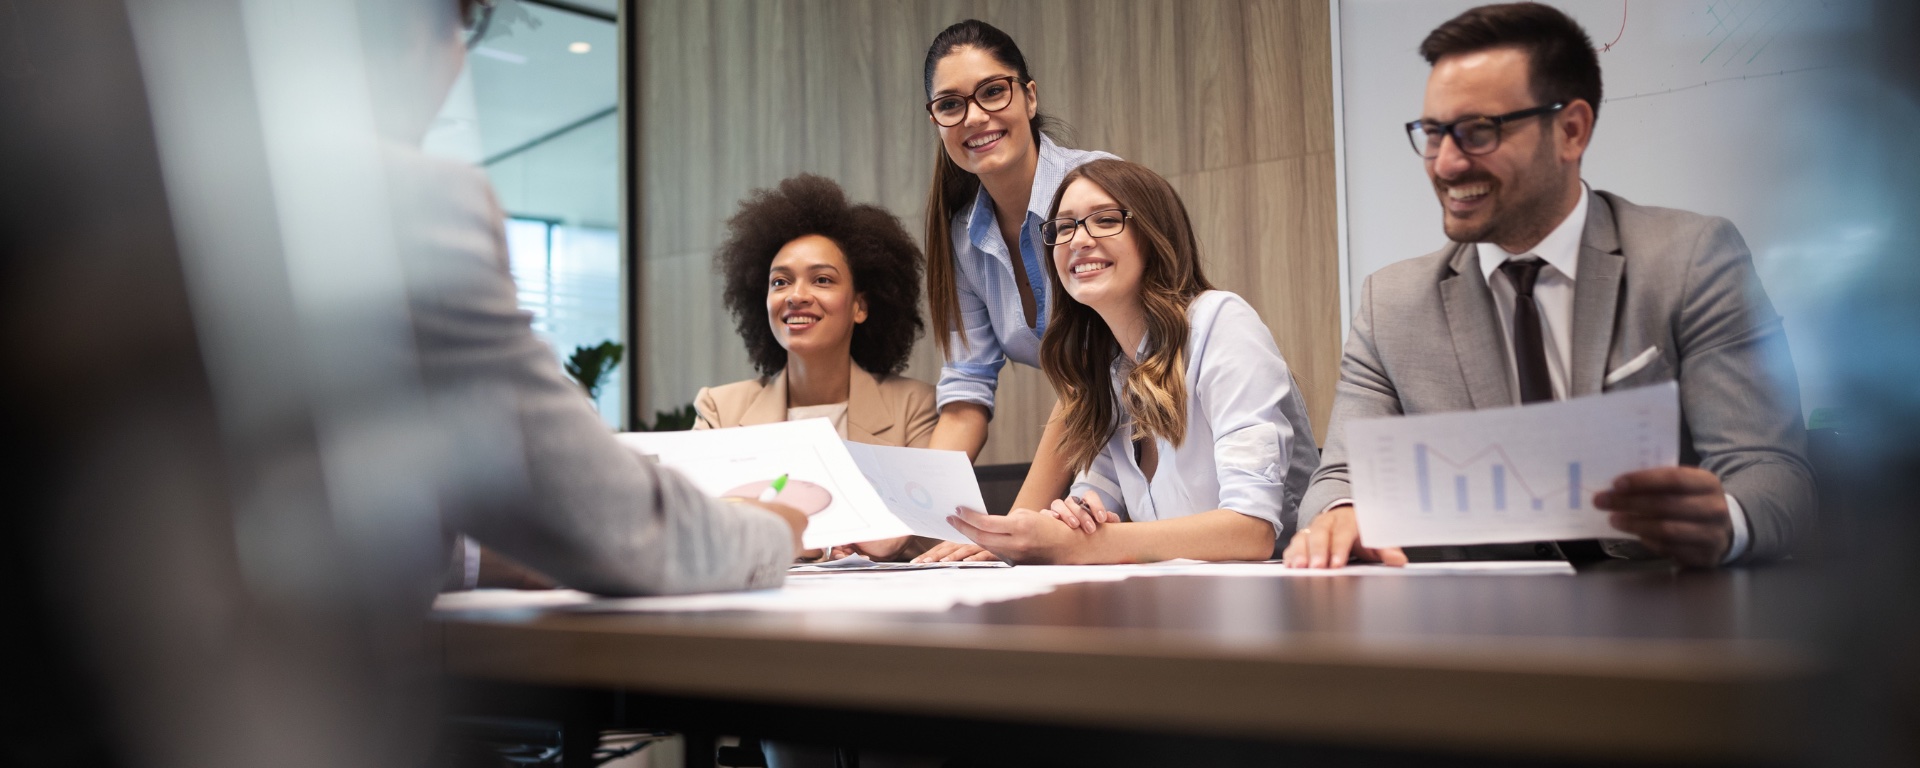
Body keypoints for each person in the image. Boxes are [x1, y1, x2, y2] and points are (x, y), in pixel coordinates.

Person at [1285, 3, 1814, 570]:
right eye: (1434, 133)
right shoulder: (1390, 305)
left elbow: (1772, 473)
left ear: (1571, 130)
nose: (1446, 163)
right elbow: (1334, 478)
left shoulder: (1689, 260)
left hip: (1665, 614)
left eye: (1478, 132)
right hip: (1472, 631)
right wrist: (1340, 514)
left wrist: (1725, 520)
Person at [413, 0, 807, 595]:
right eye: (779, 279)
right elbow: (614, 526)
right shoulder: (421, 208)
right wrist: (771, 530)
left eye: (823, 279)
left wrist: (474, 558)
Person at [948, 159, 1318, 564]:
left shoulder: (1221, 321)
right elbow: (1091, 512)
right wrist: (1059, 525)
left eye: (1105, 220)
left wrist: (1079, 544)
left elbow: (1251, 532)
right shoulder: (1105, 373)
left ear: (1154, 236)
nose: (1079, 240)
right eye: (1065, 227)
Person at [913, 20, 1119, 563]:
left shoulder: (1098, 188)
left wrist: (1009, 533)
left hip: (1169, 440)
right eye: (950, 104)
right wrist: (916, 518)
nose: (975, 117)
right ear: (936, 121)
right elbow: (964, 398)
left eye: (992, 91)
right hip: (1102, 466)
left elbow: (1089, 373)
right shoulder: (961, 235)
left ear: (1028, 96)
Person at [695, 174, 937, 561]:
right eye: (780, 282)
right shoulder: (720, 410)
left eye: (822, 279)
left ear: (860, 306)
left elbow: (936, 532)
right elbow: (700, 524)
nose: (796, 296)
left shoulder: (915, 407)